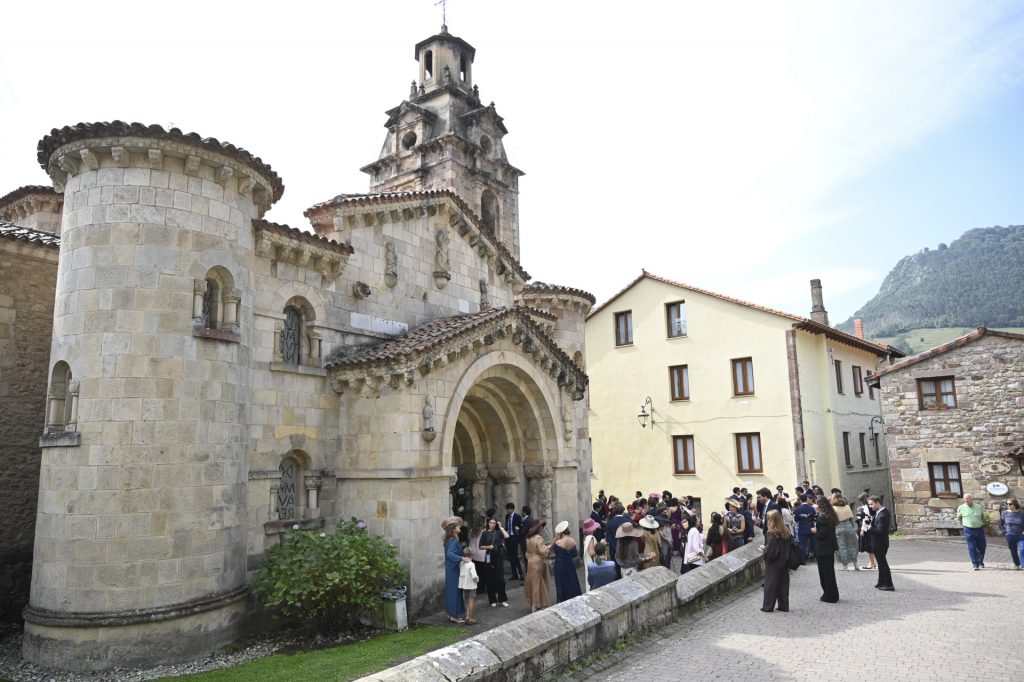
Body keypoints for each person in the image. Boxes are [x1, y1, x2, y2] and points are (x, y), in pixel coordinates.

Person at [760, 509, 792, 612]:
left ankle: (768, 606)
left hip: (774, 564)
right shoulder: (786, 531)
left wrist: (764, 550)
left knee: (770, 585)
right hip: (784, 561)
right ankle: (783, 605)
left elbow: (771, 554)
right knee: (783, 585)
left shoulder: (772, 535)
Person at [812, 496, 839, 603]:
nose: (815, 506)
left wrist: (814, 530)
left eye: (816, 504)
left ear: (820, 506)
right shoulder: (830, 515)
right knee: (829, 573)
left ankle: (829, 595)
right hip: (829, 547)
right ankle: (832, 594)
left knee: (825, 574)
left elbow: (822, 534)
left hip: (823, 548)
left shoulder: (822, 517)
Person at [479, 517, 510, 607]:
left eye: (494, 523)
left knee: (500, 578)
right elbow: (480, 546)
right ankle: (492, 599)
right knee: (490, 578)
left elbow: (507, 536)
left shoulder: (499, 532)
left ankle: (502, 599)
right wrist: (489, 547)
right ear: (488, 523)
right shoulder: (484, 533)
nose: (492, 524)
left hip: (498, 556)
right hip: (489, 556)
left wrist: (501, 527)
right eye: (490, 523)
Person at [523, 518, 552, 612]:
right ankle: (535, 605)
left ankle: (534, 603)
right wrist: (551, 546)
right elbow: (543, 551)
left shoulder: (528, 538)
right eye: (541, 526)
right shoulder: (538, 538)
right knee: (537, 583)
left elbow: (527, 552)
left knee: (532, 582)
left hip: (530, 561)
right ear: (537, 527)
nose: (542, 528)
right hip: (538, 562)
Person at [867, 496, 894, 591]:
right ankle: (881, 582)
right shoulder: (879, 512)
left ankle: (888, 584)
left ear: (877, 502)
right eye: (869, 504)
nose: (870, 506)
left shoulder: (883, 514)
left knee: (883, 564)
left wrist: (869, 528)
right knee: (881, 563)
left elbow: (880, 531)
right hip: (878, 543)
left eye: (871, 504)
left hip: (880, 543)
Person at [552, 520, 583, 602]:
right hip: (569, 563)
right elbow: (575, 554)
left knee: (561, 583)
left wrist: (554, 541)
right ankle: (573, 598)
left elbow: (553, 551)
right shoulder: (572, 540)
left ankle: (562, 600)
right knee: (571, 581)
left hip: (560, 565)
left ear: (560, 532)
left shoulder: (558, 542)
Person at [442, 516, 466, 623]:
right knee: (454, 592)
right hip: (453, 570)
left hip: (451, 569)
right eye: (457, 526)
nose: (459, 526)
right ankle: (453, 616)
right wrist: (462, 558)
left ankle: (451, 614)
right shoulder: (453, 541)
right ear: (453, 529)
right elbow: (450, 554)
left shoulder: (450, 540)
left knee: (452, 591)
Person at [957, 493, 987, 570]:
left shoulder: (979, 507)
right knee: (972, 547)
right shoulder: (961, 508)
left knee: (982, 547)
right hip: (968, 530)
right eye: (964, 498)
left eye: (967, 498)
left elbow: (983, 516)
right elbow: (959, 518)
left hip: (979, 529)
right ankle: (975, 564)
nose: (966, 500)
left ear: (971, 499)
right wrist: (964, 524)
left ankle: (980, 561)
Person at [831, 493, 859, 570]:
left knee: (841, 546)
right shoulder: (847, 506)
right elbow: (851, 518)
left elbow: (832, 520)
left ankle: (845, 566)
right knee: (852, 545)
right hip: (848, 525)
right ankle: (855, 564)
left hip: (838, 527)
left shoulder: (833, 508)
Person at [999, 498, 1024, 570]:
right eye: (1007, 504)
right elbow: (1001, 524)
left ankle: (1023, 564)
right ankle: (1017, 564)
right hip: (1010, 535)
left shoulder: (1021, 513)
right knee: (1013, 550)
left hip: (1020, 535)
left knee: (1022, 549)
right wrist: (1005, 532)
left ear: (1015, 504)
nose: (1008, 505)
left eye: (1010, 504)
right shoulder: (1005, 513)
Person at [856, 493, 878, 570]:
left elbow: (865, 520)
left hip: (867, 528)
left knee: (869, 547)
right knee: (870, 547)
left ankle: (872, 563)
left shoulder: (865, 508)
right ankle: (871, 562)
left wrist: (862, 530)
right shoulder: (871, 507)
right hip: (872, 527)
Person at [459, 547, 479, 624]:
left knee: (467, 601)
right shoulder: (471, 564)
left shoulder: (461, 563)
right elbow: (474, 576)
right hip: (471, 585)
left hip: (464, 585)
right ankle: (470, 618)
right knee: (471, 601)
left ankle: (467, 616)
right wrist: (477, 580)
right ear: (471, 555)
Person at [467, 516, 488, 595]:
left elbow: (470, 541)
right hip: (482, 553)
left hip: (473, 554)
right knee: (483, 572)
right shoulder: (483, 532)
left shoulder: (472, 531)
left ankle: (478, 587)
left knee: (477, 572)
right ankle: (483, 587)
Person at [504, 503, 523, 581]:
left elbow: (520, 527)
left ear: (512, 509)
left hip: (514, 538)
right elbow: (507, 526)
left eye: (508, 509)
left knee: (515, 556)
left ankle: (521, 573)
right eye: (507, 509)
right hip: (508, 538)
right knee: (510, 557)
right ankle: (514, 574)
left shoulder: (517, 517)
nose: (507, 511)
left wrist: (518, 531)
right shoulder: (507, 516)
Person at [794, 494, 816, 564]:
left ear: (800, 500)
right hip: (811, 527)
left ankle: (803, 561)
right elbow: (813, 516)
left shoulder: (798, 509)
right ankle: (818, 559)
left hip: (802, 528)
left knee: (803, 545)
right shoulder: (811, 508)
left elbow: (796, 519)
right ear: (806, 499)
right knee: (814, 544)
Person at [582, 517, 601, 590]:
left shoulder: (587, 537)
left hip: (589, 562)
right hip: (592, 562)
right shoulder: (591, 538)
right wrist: (600, 558)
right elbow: (592, 552)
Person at [519, 505, 534, 576]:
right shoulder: (529, 519)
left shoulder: (527, 520)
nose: (521, 512)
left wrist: (518, 529)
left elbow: (523, 532)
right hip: (527, 542)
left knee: (527, 559)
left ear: (524, 512)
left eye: (522, 511)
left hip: (525, 542)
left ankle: (529, 576)